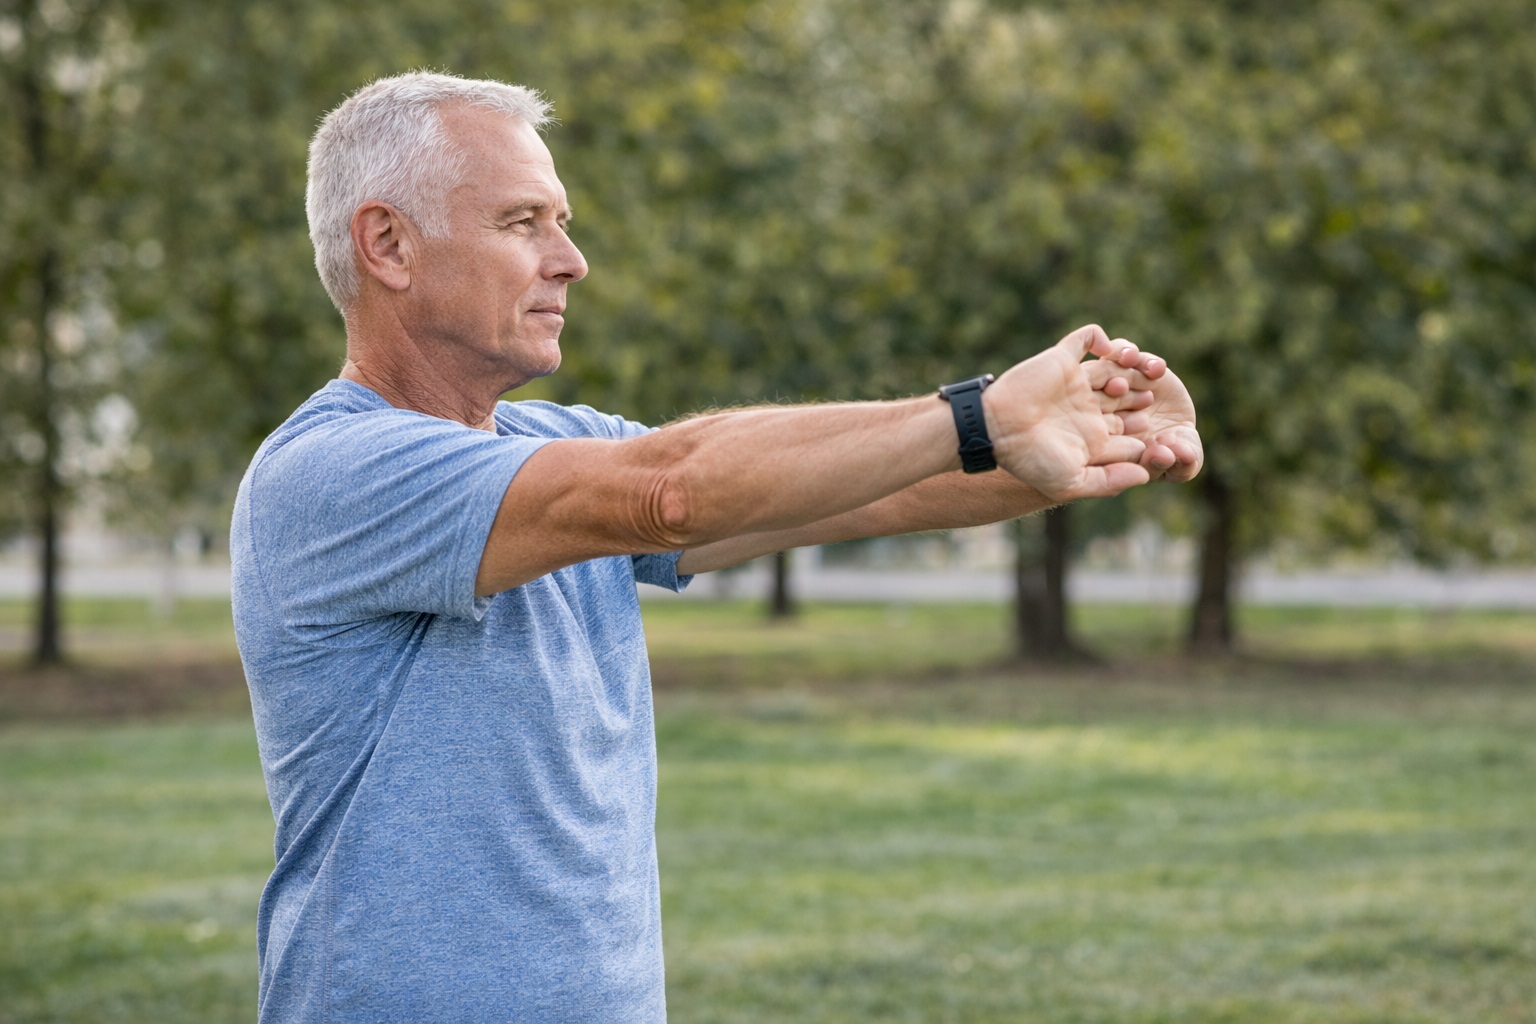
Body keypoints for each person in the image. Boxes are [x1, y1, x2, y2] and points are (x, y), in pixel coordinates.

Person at [231, 71, 1202, 1024]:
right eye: (523, 223)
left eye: (562, 223)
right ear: (389, 244)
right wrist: (975, 410)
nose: (569, 260)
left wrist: (1052, 446)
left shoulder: (556, 451)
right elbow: (677, 491)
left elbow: (866, 492)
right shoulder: (335, 473)